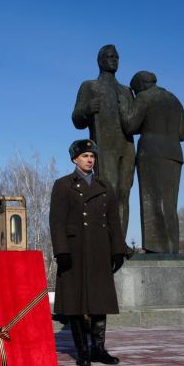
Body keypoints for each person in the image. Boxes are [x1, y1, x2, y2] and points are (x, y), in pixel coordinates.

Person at [49, 139, 126, 366]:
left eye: (92, 156)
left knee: (99, 300)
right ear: (74, 159)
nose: (89, 159)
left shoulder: (105, 185)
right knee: (76, 300)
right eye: (84, 156)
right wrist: (61, 251)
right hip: (74, 250)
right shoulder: (63, 185)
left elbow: (114, 220)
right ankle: (82, 351)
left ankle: (98, 349)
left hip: (100, 248)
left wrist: (118, 250)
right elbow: (56, 222)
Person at [118, 71, 184, 253]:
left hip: (151, 153)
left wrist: (124, 106)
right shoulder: (174, 99)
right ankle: (171, 247)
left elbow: (129, 125)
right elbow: (183, 133)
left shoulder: (145, 98)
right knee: (170, 204)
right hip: (174, 153)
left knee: (153, 200)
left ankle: (156, 247)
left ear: (140, 85)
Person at [72, 44, 135, 235]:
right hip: (104, 147)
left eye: (116, 57)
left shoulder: (126, 91)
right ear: (100, 61)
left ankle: (120, 240)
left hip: (127, 146)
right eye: (110, 57)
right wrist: (87, 109)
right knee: (109, 192)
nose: (114, 60)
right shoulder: (90, 86)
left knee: (124, 193)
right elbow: (76, 119)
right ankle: (107, 240)